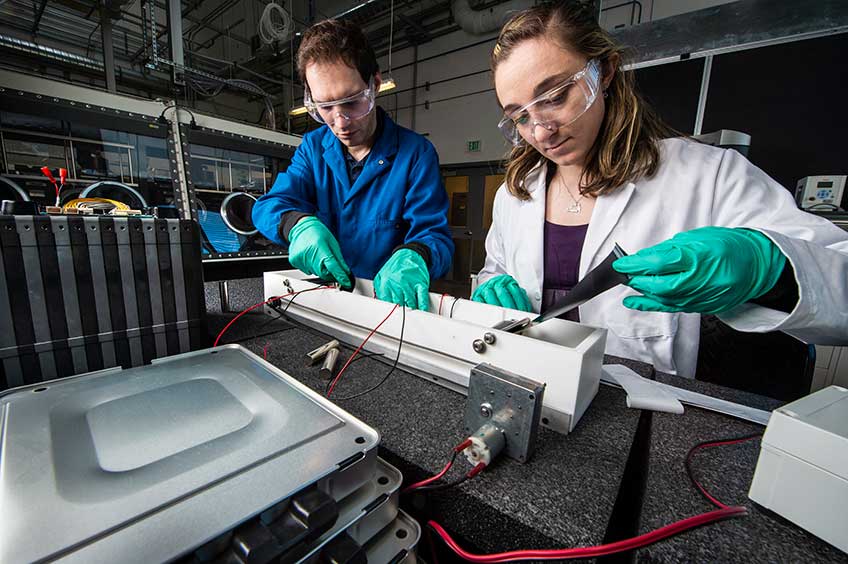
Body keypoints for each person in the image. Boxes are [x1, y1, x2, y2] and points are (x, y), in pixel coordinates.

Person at [473, 2, 848, 378]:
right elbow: (496, 270)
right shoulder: (515, 194)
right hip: (530, 382)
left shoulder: (707, 176)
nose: (540, 131)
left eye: (554, 97)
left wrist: (770, 269)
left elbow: (839, 277)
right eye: (520, 116)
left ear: (603, 71)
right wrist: (491, 289)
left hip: (638, 404)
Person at [252, 19, 453, 310]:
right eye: (325, 107)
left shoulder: (416, 154)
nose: (340, 122)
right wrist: (295, 225)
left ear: (375, 84)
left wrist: (417, 253)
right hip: (329, 302)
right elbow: (268, 205)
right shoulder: (313, 147)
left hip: (390, 307)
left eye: (352, 102)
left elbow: (436, 237)